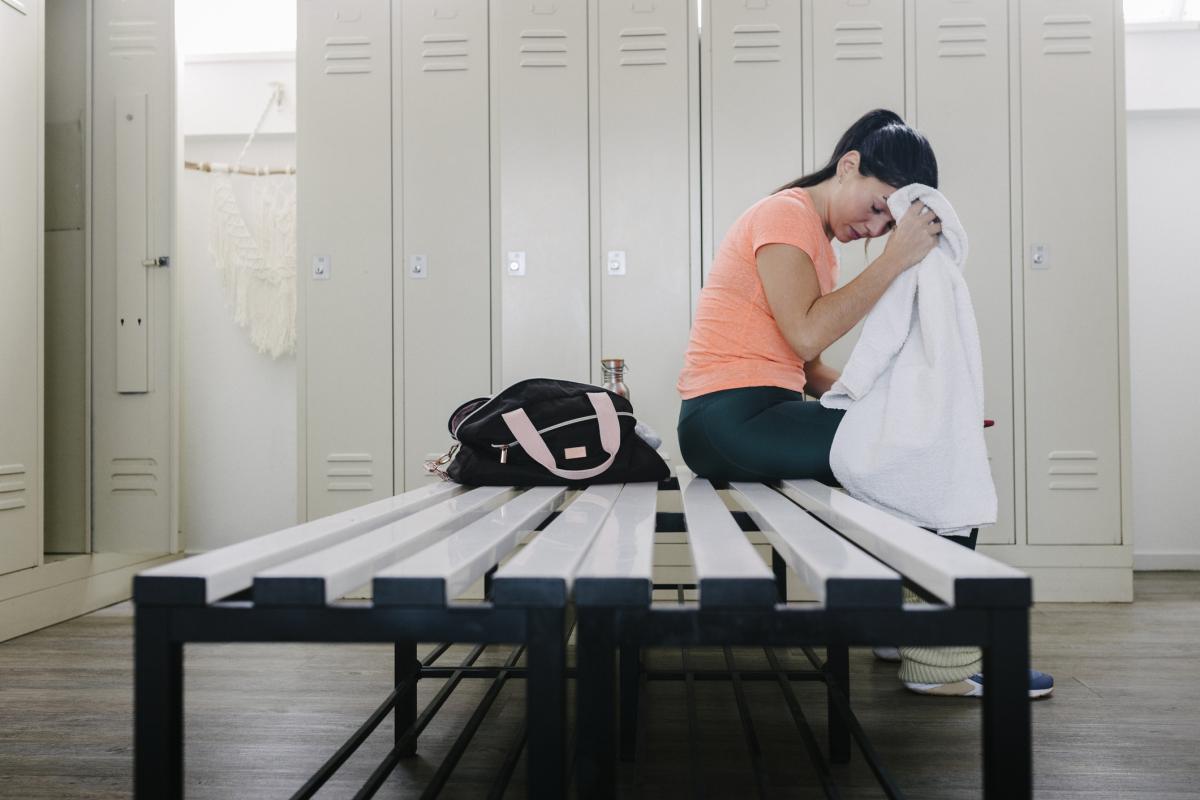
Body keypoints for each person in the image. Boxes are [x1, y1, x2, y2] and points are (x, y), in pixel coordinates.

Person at [675, 108, 1053, 699]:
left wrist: (908, 409)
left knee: (919, 439)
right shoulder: (786, 213)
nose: (878, 228)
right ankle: (942, 660)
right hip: (727, 419)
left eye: (889, 221)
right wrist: (897, 259)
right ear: (849, 165)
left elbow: (805, 370)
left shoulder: (814, 239)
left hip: (753, 413)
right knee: (928, 453)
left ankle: (901, 628)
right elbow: (805, 334)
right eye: (878, 208)